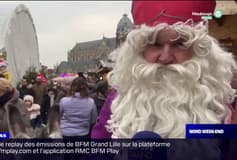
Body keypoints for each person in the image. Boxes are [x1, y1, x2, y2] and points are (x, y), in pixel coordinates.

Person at [92, 1, 236, 139]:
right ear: (138, 50)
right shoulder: (121, 99)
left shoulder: (218, 104)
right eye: (155, 44)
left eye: (180, 44)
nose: (165, 58)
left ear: (201, 51)